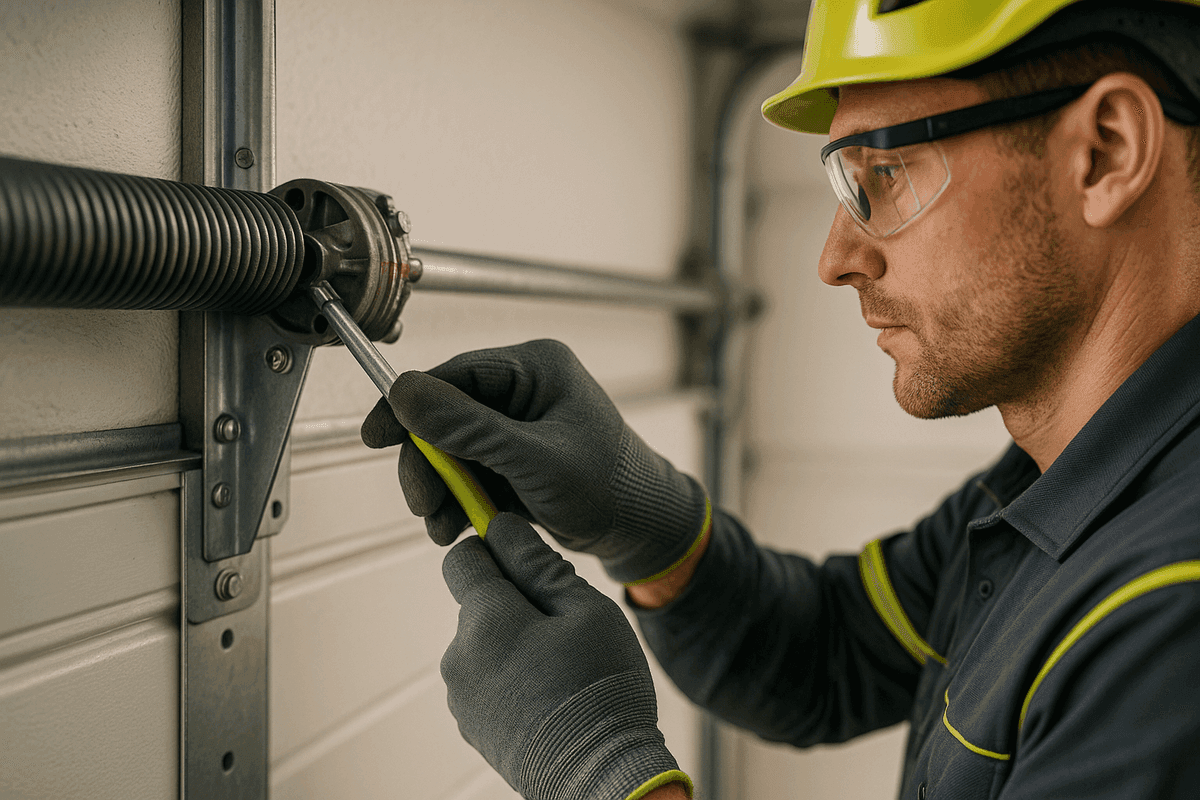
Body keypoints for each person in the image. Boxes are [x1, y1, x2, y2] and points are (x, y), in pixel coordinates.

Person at [360, 0, 1200, 797]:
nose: (836, 258)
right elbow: (826, 650)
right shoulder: (1052, 479)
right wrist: (641, 517)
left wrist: (598, 771)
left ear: (1106, 151)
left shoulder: (1171, 625)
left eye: (887, 170)